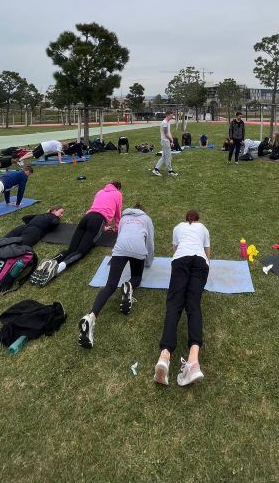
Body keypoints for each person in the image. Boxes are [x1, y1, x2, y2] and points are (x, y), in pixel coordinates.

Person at [78, 202, 155, 349]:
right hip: (138, 250)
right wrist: (148, 261)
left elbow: (120, 236)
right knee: (137, 277)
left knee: (110, 285)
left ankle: (91, 316)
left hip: (120, 249)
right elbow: (150, 242)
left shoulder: (124, 218)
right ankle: (130, 285)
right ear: (142, 211)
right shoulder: (146, 219)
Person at [154, 209, 210, 387]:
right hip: (200, 263)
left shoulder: (178, 227)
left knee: (174, 304)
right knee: (193, 305)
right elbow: (207, 253)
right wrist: (205, 272)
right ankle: (193, 360)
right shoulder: (204, 228)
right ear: (198, 219)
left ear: (185, 219)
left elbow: (175, 250)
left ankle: (165, 355)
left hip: (180, 261)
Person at [30, 180, 123, 286]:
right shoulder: (118, 194)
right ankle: (56, 270)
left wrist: (103, 227)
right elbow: (118, 213)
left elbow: (98, 207)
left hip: (86, 218)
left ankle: (49, 263)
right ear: (118, 188)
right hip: (98, 221)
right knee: (81, 251)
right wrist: (116, 228)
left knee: (71, 249)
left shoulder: (100, 192)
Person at [152, 111, 178, 177]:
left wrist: (171, 141)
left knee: (164, 156)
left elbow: (168, 133)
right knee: (168, 157)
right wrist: (171, 140)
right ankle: (170, 171)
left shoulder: (167, 122)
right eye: (172, 115)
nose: (172, 116)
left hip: (167, 141)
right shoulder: (165, 123)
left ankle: (156, 169)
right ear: (168, 115)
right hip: (165, 141)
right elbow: (166, 134)